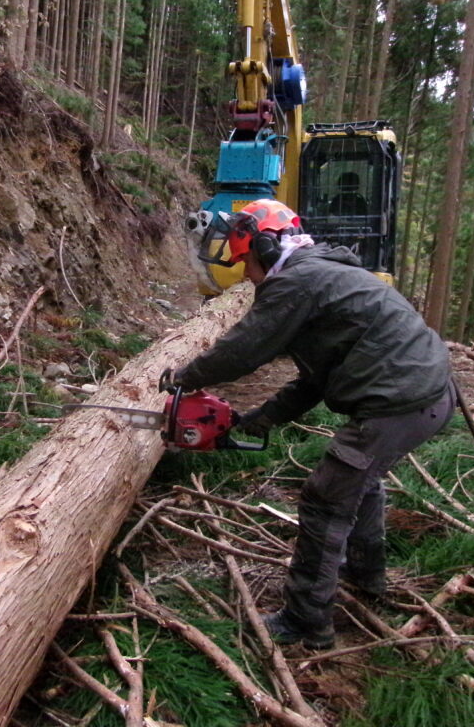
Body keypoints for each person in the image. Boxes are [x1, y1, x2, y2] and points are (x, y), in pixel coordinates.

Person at [170, 198, 454, 650]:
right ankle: (367, 577)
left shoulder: (299, 281)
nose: (244, 273)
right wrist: (259, 420)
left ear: (265, 246)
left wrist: (185, 375)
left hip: (397, 402)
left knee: (325, 500)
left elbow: (245, 349)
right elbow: (314, 380)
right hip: (425, 396)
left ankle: (306, 623)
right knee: (363, 482)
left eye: (246, 261)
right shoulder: (320, 276)